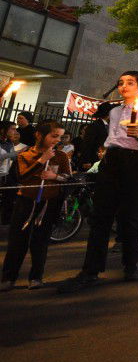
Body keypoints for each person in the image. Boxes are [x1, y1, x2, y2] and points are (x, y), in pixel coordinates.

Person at [59, 72, 138, 293]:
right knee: (100, 215)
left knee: (131, 215)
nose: (124, 86)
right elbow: (112, 138)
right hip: (112, 160)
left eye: (130, 83)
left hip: (136, 161)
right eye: (121, 83)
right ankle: (91, 270)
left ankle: (131, 264)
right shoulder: (114, 112)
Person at [1, 121, 72, 291]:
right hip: (26, 200)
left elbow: (68, 177)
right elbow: (22, 177)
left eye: (60, 137)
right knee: (17, 240)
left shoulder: (61, 156)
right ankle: (8, 278)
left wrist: (55, 177)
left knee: (40, 240)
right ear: (39, 135)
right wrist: (41, 160)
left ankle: (36, 277)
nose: (57, 140)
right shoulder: (25, 155)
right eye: (54, 136)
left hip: (48, 202)